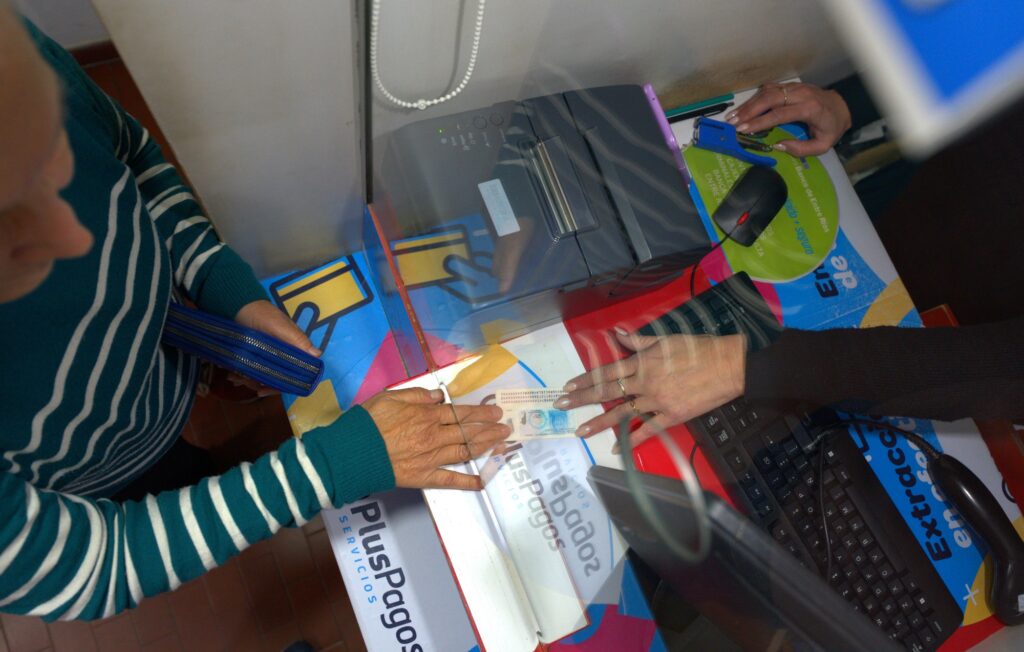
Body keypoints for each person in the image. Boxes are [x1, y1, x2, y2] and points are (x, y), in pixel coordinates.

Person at [0, 7, 507, 621]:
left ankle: (192, 439)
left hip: (169, 352)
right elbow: (91, 567)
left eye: (52, 167)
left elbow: (131, 159)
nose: (77, 243)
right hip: (97, 461)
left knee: (193, 458)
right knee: (166, 484)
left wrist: (222, 285)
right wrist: (331, 468)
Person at [554, 81, 1024, 447]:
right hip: (912, 215)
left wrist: (746, 369)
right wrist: (853, 101)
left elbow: (995, 367)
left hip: (932, 338)